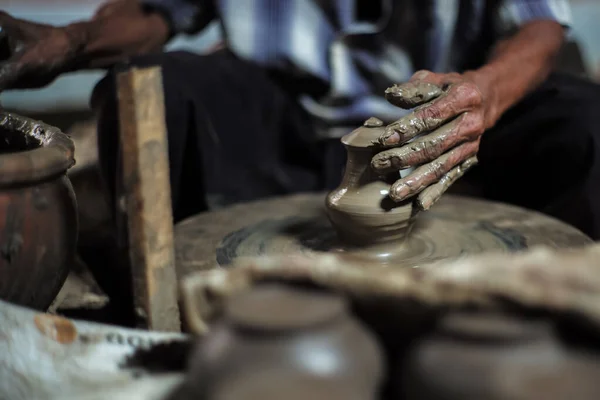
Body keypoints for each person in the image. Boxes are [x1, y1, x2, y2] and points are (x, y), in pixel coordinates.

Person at [0, 0, 597, 243]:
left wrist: (483, 95)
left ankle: (561, 307)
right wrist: (71, 41)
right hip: (283, 121)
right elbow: (161, 11)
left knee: (586, 122)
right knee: (158, 91)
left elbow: (539, 23)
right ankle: (194, 309)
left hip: (442, 136)